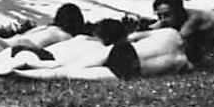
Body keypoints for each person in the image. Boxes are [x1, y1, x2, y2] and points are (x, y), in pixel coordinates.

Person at [0, 18, 132, 92]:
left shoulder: (79, 38)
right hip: (40, 58)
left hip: (22, 49)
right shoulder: (98, 50)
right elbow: (69, 67)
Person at [13, 27, 194, 83]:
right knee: (65, 74)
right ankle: (22, 74)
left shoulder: (170, 34)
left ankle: (37, 65)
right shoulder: (183, 64)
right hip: (132, 72)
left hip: (123, 50)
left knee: (73, 66)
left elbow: (134, 36)